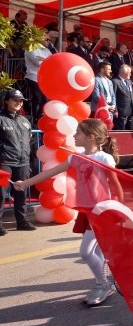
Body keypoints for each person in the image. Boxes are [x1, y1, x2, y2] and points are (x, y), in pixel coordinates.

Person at [14, 119, 122, 304]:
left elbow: (116, 186)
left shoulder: (105, 158)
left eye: (78, 133)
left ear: (91, 137)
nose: (74, 136)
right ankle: (103, 282)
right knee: (97, 251)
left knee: (86, 252)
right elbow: (50, 172)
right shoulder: (76, 157)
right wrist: (25, 183)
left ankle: (104, 284)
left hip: (102, 211)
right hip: (86, 210)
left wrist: (118, 210)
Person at [0, 90, 36, 236]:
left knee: (21, 193)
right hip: (5, 162)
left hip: (23, 163)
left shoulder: (25, 121)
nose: (19, 103)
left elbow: (28, 140)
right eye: (15, 100)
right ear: (6, 101)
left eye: (21, 100)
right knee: (1, 195)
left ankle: (22, 221)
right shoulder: (1, 119)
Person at [24, 35, 52, 120]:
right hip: (33, 77)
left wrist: (44, 59)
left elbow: (54, 61)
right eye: (47, 39)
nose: (49, 41)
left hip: (43, 78)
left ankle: (41, 117)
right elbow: (38, 63)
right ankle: (36, 119)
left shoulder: (46, 50)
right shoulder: (31, 48)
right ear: (39, 39)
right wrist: (47, 60)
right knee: (38, 99)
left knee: (45, 99)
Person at [111, 64, 133, 131]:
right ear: (123, 73)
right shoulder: (115, 81)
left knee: (130, 131)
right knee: (121, 131)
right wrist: (115, 110)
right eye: (129, 72)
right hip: (121, 112)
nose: (130, 74)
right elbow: (113, 96)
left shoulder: (129, 82)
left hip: (130, 111)